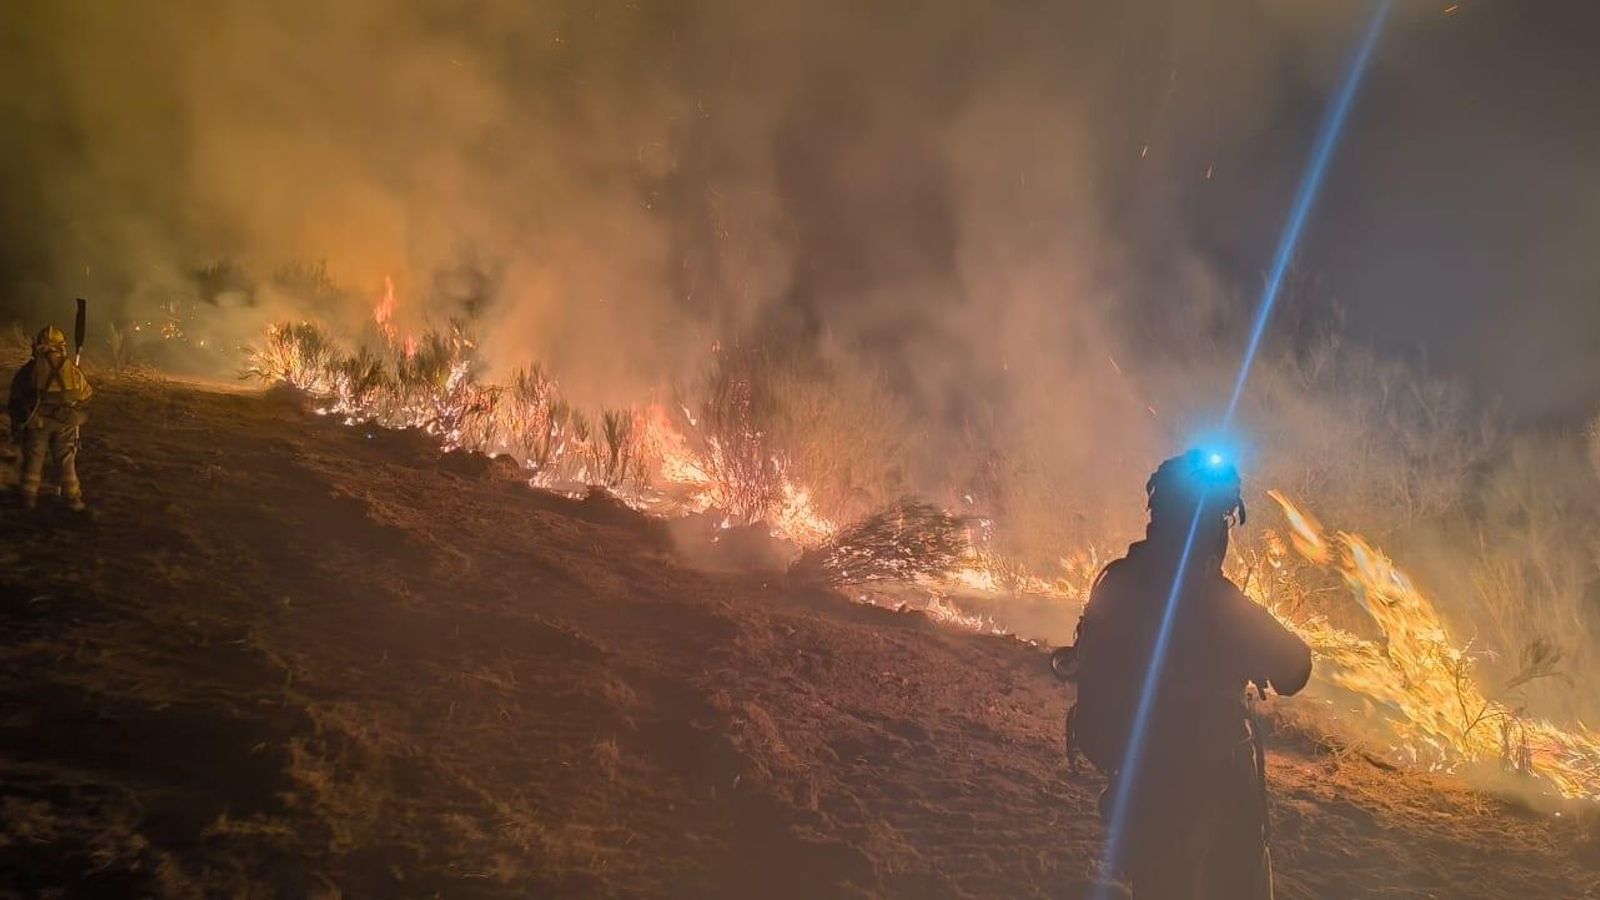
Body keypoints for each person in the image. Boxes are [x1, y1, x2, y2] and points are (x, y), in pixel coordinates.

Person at [1069, 449, 1311, 899]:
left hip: (1145, 789)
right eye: (1222, 521)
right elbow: (1295, 669)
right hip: (1217, 789)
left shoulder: (1118, 582)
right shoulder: (1218, 601)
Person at [7, 326, 93, 511]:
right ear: (61, 345)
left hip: (37, 422)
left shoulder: (30, 369)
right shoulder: (72, 370)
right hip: (65, 423)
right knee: (66, 462)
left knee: (34, 460)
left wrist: (18, 421)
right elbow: (86, 395)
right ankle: (74, 501)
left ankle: (28, 499)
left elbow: (16, 397)